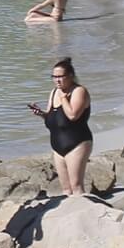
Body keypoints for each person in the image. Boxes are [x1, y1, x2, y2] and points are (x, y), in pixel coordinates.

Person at [30, 58, 93, 196]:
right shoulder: (53, 93)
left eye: (60, 77)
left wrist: (64, 98)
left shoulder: (79, 91)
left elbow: (72, 116)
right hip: (58, 147)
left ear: (70, 76)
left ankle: (84, 214)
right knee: (66, 189)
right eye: (54, 77)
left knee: (76, 187)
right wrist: (41, 114)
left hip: (77, 143)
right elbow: (52, 120)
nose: (57, 80)